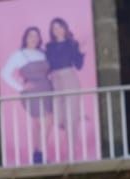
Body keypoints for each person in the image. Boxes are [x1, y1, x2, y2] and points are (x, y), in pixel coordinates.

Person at [1, 26, 53, 164]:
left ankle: (37, 154)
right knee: (46, 122)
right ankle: (39, 155)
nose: (34, 38)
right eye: (31, 35)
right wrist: (21, 87)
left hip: (47, 89)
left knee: (38, 124)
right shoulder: (19, 54)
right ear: (25, 37)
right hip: (32, 92)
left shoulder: (43, 53)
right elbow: (5, 73)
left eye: (36, 35)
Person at [45, 17, 86, 161]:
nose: (57, 30)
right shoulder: (49, 47)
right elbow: (47, 67)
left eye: (59, 26)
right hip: (55, 80)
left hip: (70, 78)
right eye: (54, 27)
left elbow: (79, 65)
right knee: (60, 118)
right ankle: (74, 133)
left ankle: (71, 154)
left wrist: (81, 51)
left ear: (65, 28)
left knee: (71, 117)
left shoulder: (72, 44)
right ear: (52, 31)